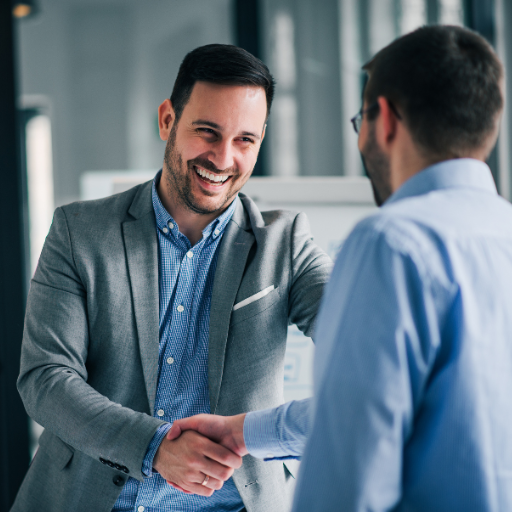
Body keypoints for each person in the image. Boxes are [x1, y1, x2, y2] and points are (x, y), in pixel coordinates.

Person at [169, 25, 512, 511]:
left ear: (385, 121)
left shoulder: (392, 244)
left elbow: (350, 457)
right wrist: (242, 432)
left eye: (360, 120)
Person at [12, 44, 332, 512]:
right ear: (167, 120)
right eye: (207, 132)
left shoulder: (286, 245)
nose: (223, 158)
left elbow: (366, 349)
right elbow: (45, 378)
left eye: (245, 140)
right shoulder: (79, 232)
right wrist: (155, 446)